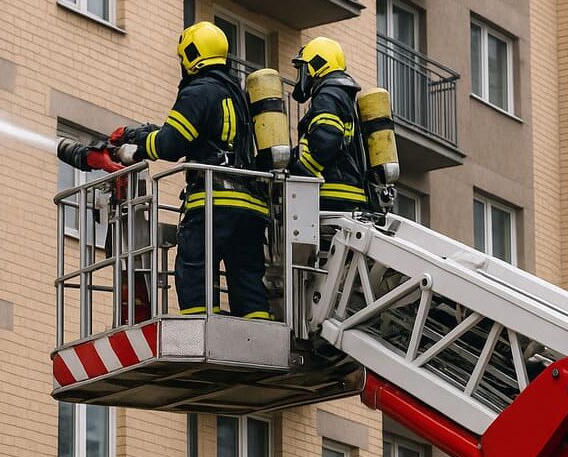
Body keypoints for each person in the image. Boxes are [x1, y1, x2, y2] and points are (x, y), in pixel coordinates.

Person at [117, 21, 271, 320]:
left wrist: (137, 148)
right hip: (250, 205)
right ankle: (254, 333)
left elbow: (171, 144)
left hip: (213, 200)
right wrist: (145, 133)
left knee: (196, 268)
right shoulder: (236, 95)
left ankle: (199, 329)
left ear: (191, 54)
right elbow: (200, 135)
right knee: (247, 277)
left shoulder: (198, 91)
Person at [287, 36, 375, 212]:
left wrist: (300, 167)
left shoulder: (328, 96)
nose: (301, 75)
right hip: (348, 192)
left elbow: (326, 140)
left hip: (333, 192)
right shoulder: (341, 96)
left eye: (303, 68)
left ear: (317, 65)